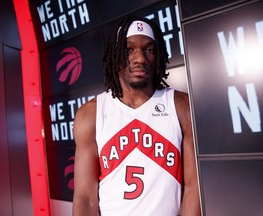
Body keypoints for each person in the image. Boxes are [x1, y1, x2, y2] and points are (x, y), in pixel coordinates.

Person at [72, 15, 201, 216]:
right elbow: (85, 198)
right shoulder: (90, 113)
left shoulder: (181, 105)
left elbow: (194, 186)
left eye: (149, 50)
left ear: (158, 56)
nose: (139, 58)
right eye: (128, 50)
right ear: (115, 53)